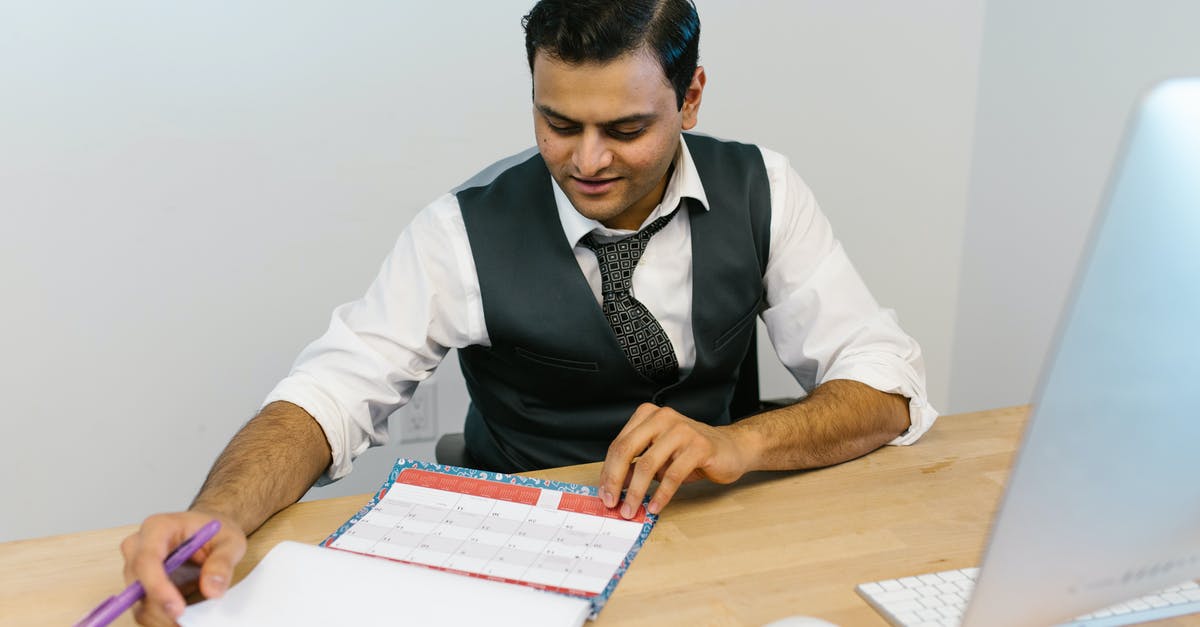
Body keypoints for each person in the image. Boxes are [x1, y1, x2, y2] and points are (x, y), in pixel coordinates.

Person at [120, 1, 937, 624]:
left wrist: (740, 441)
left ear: (690, 99)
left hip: (714, 537)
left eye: (624, 129)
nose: (586, 161)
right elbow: (328, 396)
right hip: (521, 565)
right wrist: (212, 515)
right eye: (558, 123)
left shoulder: (765, 188)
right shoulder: (459, 229)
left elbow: (884, 382)